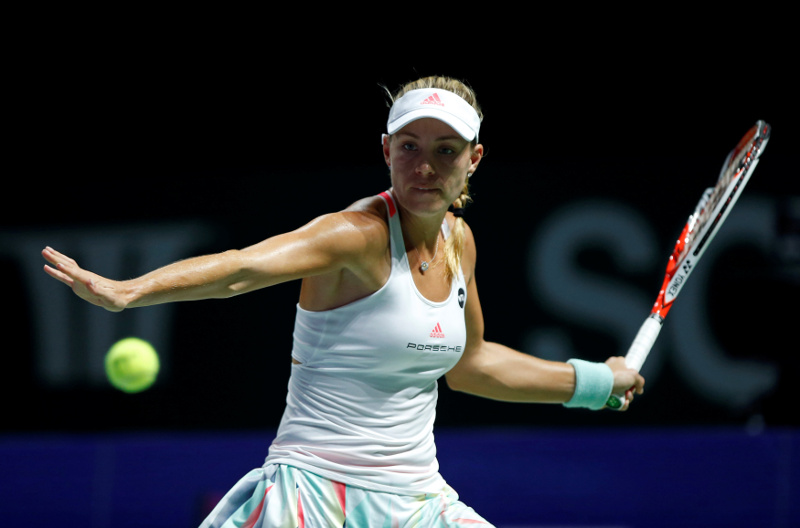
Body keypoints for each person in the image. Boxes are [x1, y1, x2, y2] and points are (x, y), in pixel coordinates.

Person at [42, 76, 645, 527]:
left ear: (473, 159)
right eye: (409, 146)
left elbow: (471, 365)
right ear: (386, 151)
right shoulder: (354, 235)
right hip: (312, 497)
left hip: (416, 500)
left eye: (445, 150)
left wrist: (592, 383)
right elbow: (241, 269)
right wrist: (129, 291)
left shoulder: (460, 242)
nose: (425, 167)